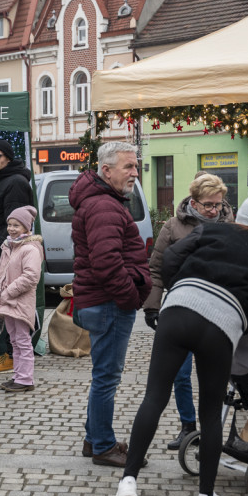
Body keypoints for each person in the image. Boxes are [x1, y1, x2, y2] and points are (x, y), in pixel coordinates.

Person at [115, 190, 248, 496]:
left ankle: (128, 480)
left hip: (178, 309)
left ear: (241, 214)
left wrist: (184, 285)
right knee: (210, 410)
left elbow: (171, 257)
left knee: (154, 397)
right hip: (222, 322)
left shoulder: (212, 228)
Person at [70, 141, 152, 468]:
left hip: (102, 301)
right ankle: (103, 445)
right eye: (128, 167)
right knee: (107, 378)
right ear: (106, 170)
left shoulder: (102, 201)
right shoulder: (104, 206)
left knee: (103, 375)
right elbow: (106, 264)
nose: (135, 173)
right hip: (108, 303)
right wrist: (131, 298)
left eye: (135, 166)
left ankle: (95, 439)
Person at [143, 172, 234, 450]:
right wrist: (152, 306)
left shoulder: (231, 225)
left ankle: (214, 429)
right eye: (208, 204)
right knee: (180, 374)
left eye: (218, 204)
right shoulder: (173, 226)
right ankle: (187, 426)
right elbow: (156, 269)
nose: (213, 210)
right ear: (193, 202)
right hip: (181, 308)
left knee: (217, 377)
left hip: (219, 310)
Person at [0, 140, 34, 375]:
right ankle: (12, 355)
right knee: (6, 305)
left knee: (12, 305)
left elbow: (17, 225)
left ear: (9, 158)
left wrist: (3, 250)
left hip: (9, 254)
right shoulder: (5, 180)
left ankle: (14, 358)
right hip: (1, 251)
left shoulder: (15, 183)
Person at [0, 205, 43, 392]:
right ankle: (18, 376)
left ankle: (25, 379)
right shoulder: (9, 246)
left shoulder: (30, 249)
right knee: (14, 341)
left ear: (26, 228)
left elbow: (31, 277)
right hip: (7, 302)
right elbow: (1, 272)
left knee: (23, 341)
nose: (11, 228)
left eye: (16, 225)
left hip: (19, 302)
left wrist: (8, 292)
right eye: (10, 224)